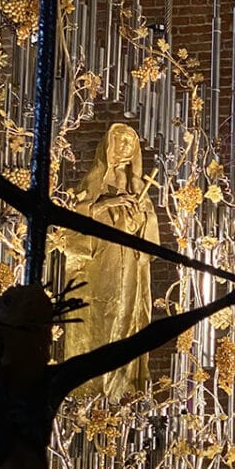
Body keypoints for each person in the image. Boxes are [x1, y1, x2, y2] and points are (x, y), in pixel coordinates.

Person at [62, 123, 160, 398]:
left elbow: (148, 233)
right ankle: (92, 387)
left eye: (131, 143)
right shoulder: (94, 180)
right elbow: (75, 219)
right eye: (121, 141)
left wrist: (143, 213)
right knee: (102, 314)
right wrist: (104, 205)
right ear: (109, 145)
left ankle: (121, 388)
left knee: (126, 316)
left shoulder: (137, 184)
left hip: (128, 259)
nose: (126, 147)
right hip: (100, 259)